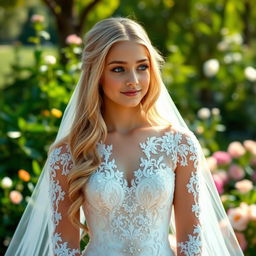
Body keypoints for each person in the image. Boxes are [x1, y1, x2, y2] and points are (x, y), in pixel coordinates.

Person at [5, 17, 244, 256]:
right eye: (118, 69)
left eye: (142, 67)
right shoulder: (69, 152)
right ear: (96, 73)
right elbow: (64, 250)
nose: (133, 80)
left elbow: (191, 247)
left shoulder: (179, 144)